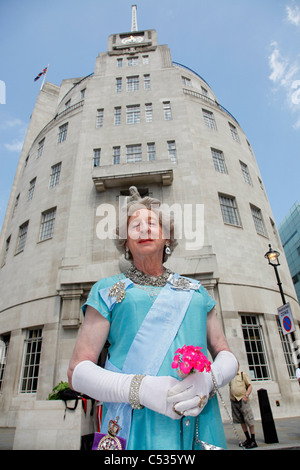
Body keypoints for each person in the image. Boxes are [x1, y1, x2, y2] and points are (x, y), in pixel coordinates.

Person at [68, 187, 238, 450]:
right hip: (132, 424)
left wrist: (209, 380)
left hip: (198, 418)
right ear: (125, 241)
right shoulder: (106, 290)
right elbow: (77, 372)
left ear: (168, 238)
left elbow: (225, 353)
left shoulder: (196, 291)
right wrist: (141, 389)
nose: (144, 230)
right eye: (134, 225)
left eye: (152, 223)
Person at [229, 365, 257, 448]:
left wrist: (246, 396)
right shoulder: (231, 377)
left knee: (249, 419)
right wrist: (230, 397)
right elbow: (230, 388)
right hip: (234, 400)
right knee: (241, 420)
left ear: (238, 366)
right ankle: (248, 439)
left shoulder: (242, 374)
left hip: (242, 399)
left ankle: (253, 440)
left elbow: (250, 386)